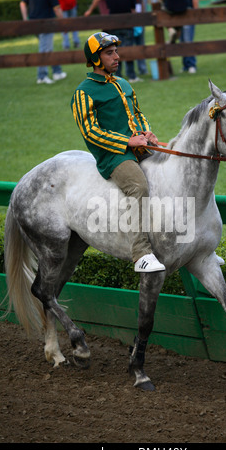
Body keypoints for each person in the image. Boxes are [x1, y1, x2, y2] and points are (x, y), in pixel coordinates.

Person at [71, 32, 165, 272]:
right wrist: (127, 142)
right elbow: (90, 131)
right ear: (95, 58)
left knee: (172, 172)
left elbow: (137, 114)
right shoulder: (83, 92)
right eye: (109, 53)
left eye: (116, 52)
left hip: (138, 145)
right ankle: (141, 253)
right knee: (139, 187)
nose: (117, 57)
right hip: (113, 156)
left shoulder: (123, 83)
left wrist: (146, 133)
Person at [20, 0, 67, 84]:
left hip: (33, 24)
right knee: (45, 50)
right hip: (46, 24)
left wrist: (25, 19)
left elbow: (22, 3)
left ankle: (57, 71)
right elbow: (57, 8)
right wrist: (63, 24)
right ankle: (42, 76)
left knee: (47, 48)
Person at [105, 0, 142, 83]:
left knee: (115, 51)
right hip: (127, 25)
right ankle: (131, 75)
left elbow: (108, 7)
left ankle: (117, 75)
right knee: (128, 50)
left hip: (114, 26)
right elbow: (133, 9)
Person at [181, 0, 198, 74]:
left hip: (188, 14)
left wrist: (195, 15)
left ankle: (191, 65)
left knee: (188, 41)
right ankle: (185, 65)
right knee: (182, 41)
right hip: (178, 14)